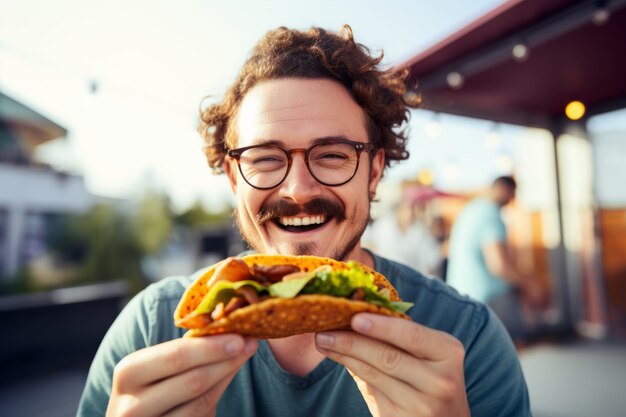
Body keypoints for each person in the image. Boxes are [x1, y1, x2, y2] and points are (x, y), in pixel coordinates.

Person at [78, 26, 530, 417]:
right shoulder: (150, 331)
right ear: (235, 178)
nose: (297, 190)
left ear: (374, 172)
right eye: (265, 158)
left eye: (332, 156)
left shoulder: (467, 341)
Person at [447, 176, 546, 343]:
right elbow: (499, 267)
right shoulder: (491, 215)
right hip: (488, 299)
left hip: (462, 295)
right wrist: (529, 284)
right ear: (504, 190)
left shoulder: (471, 209)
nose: (512, 200)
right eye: (512, 194)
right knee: (508, 352)